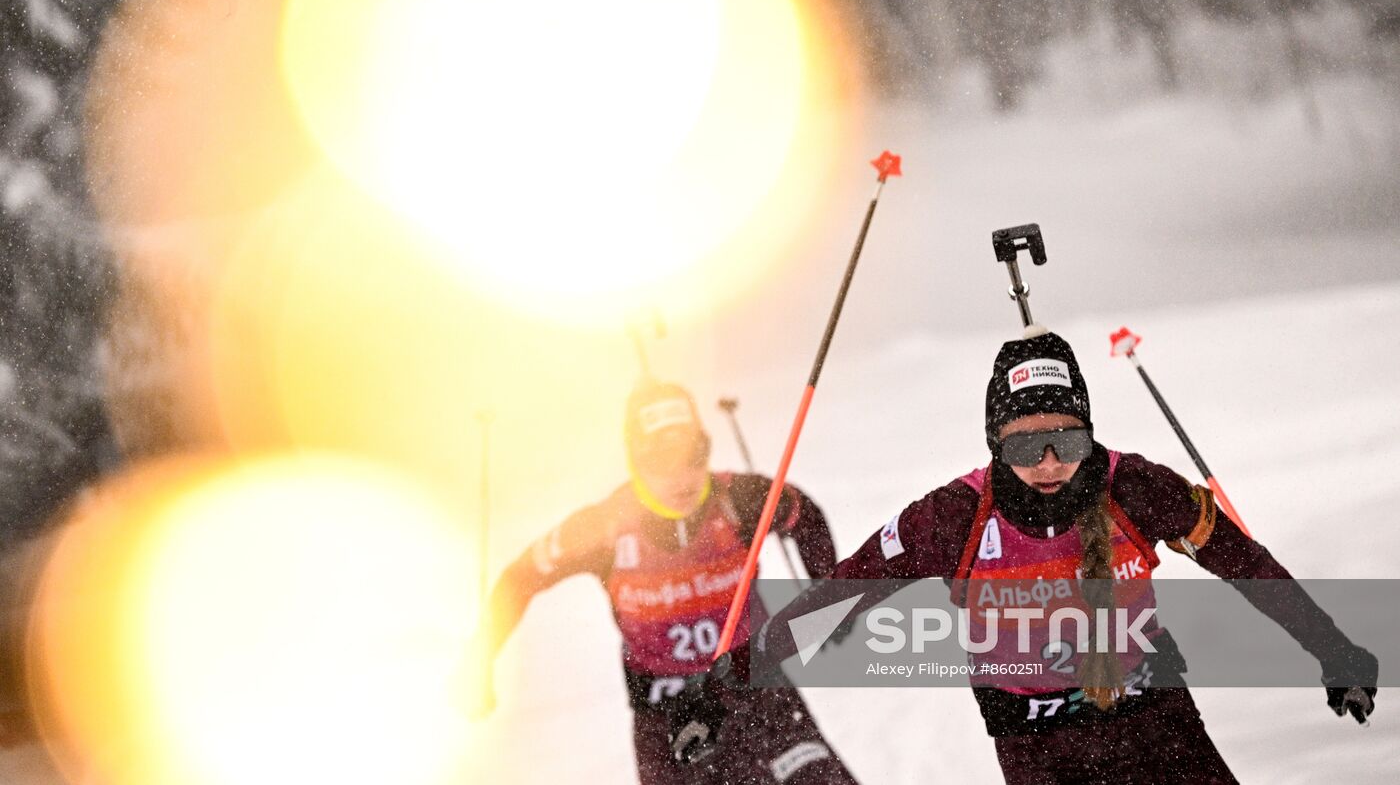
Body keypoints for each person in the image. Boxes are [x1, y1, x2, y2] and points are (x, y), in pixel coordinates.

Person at [672, 329, 1378, 784]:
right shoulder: (950, 518)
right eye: (1022, 445)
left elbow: (1248, 567)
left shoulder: (1136, 489)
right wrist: (718, 683)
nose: (1047, 464)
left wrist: (1335, 650)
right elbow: (835, 599)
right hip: (1040, 748)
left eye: (1066, 443)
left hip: (1155, 724)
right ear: (993, 442)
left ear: (1089, 435)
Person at [467, 380, 861, 784]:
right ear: (635, 461)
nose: (682, 477)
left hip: (759, 695)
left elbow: (803, 513)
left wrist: (829, 591)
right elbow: (522, 576)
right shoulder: (603, 528)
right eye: (661, 460)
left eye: (693, 455)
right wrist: (480, 657)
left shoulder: (740, 498)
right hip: (669, 718)